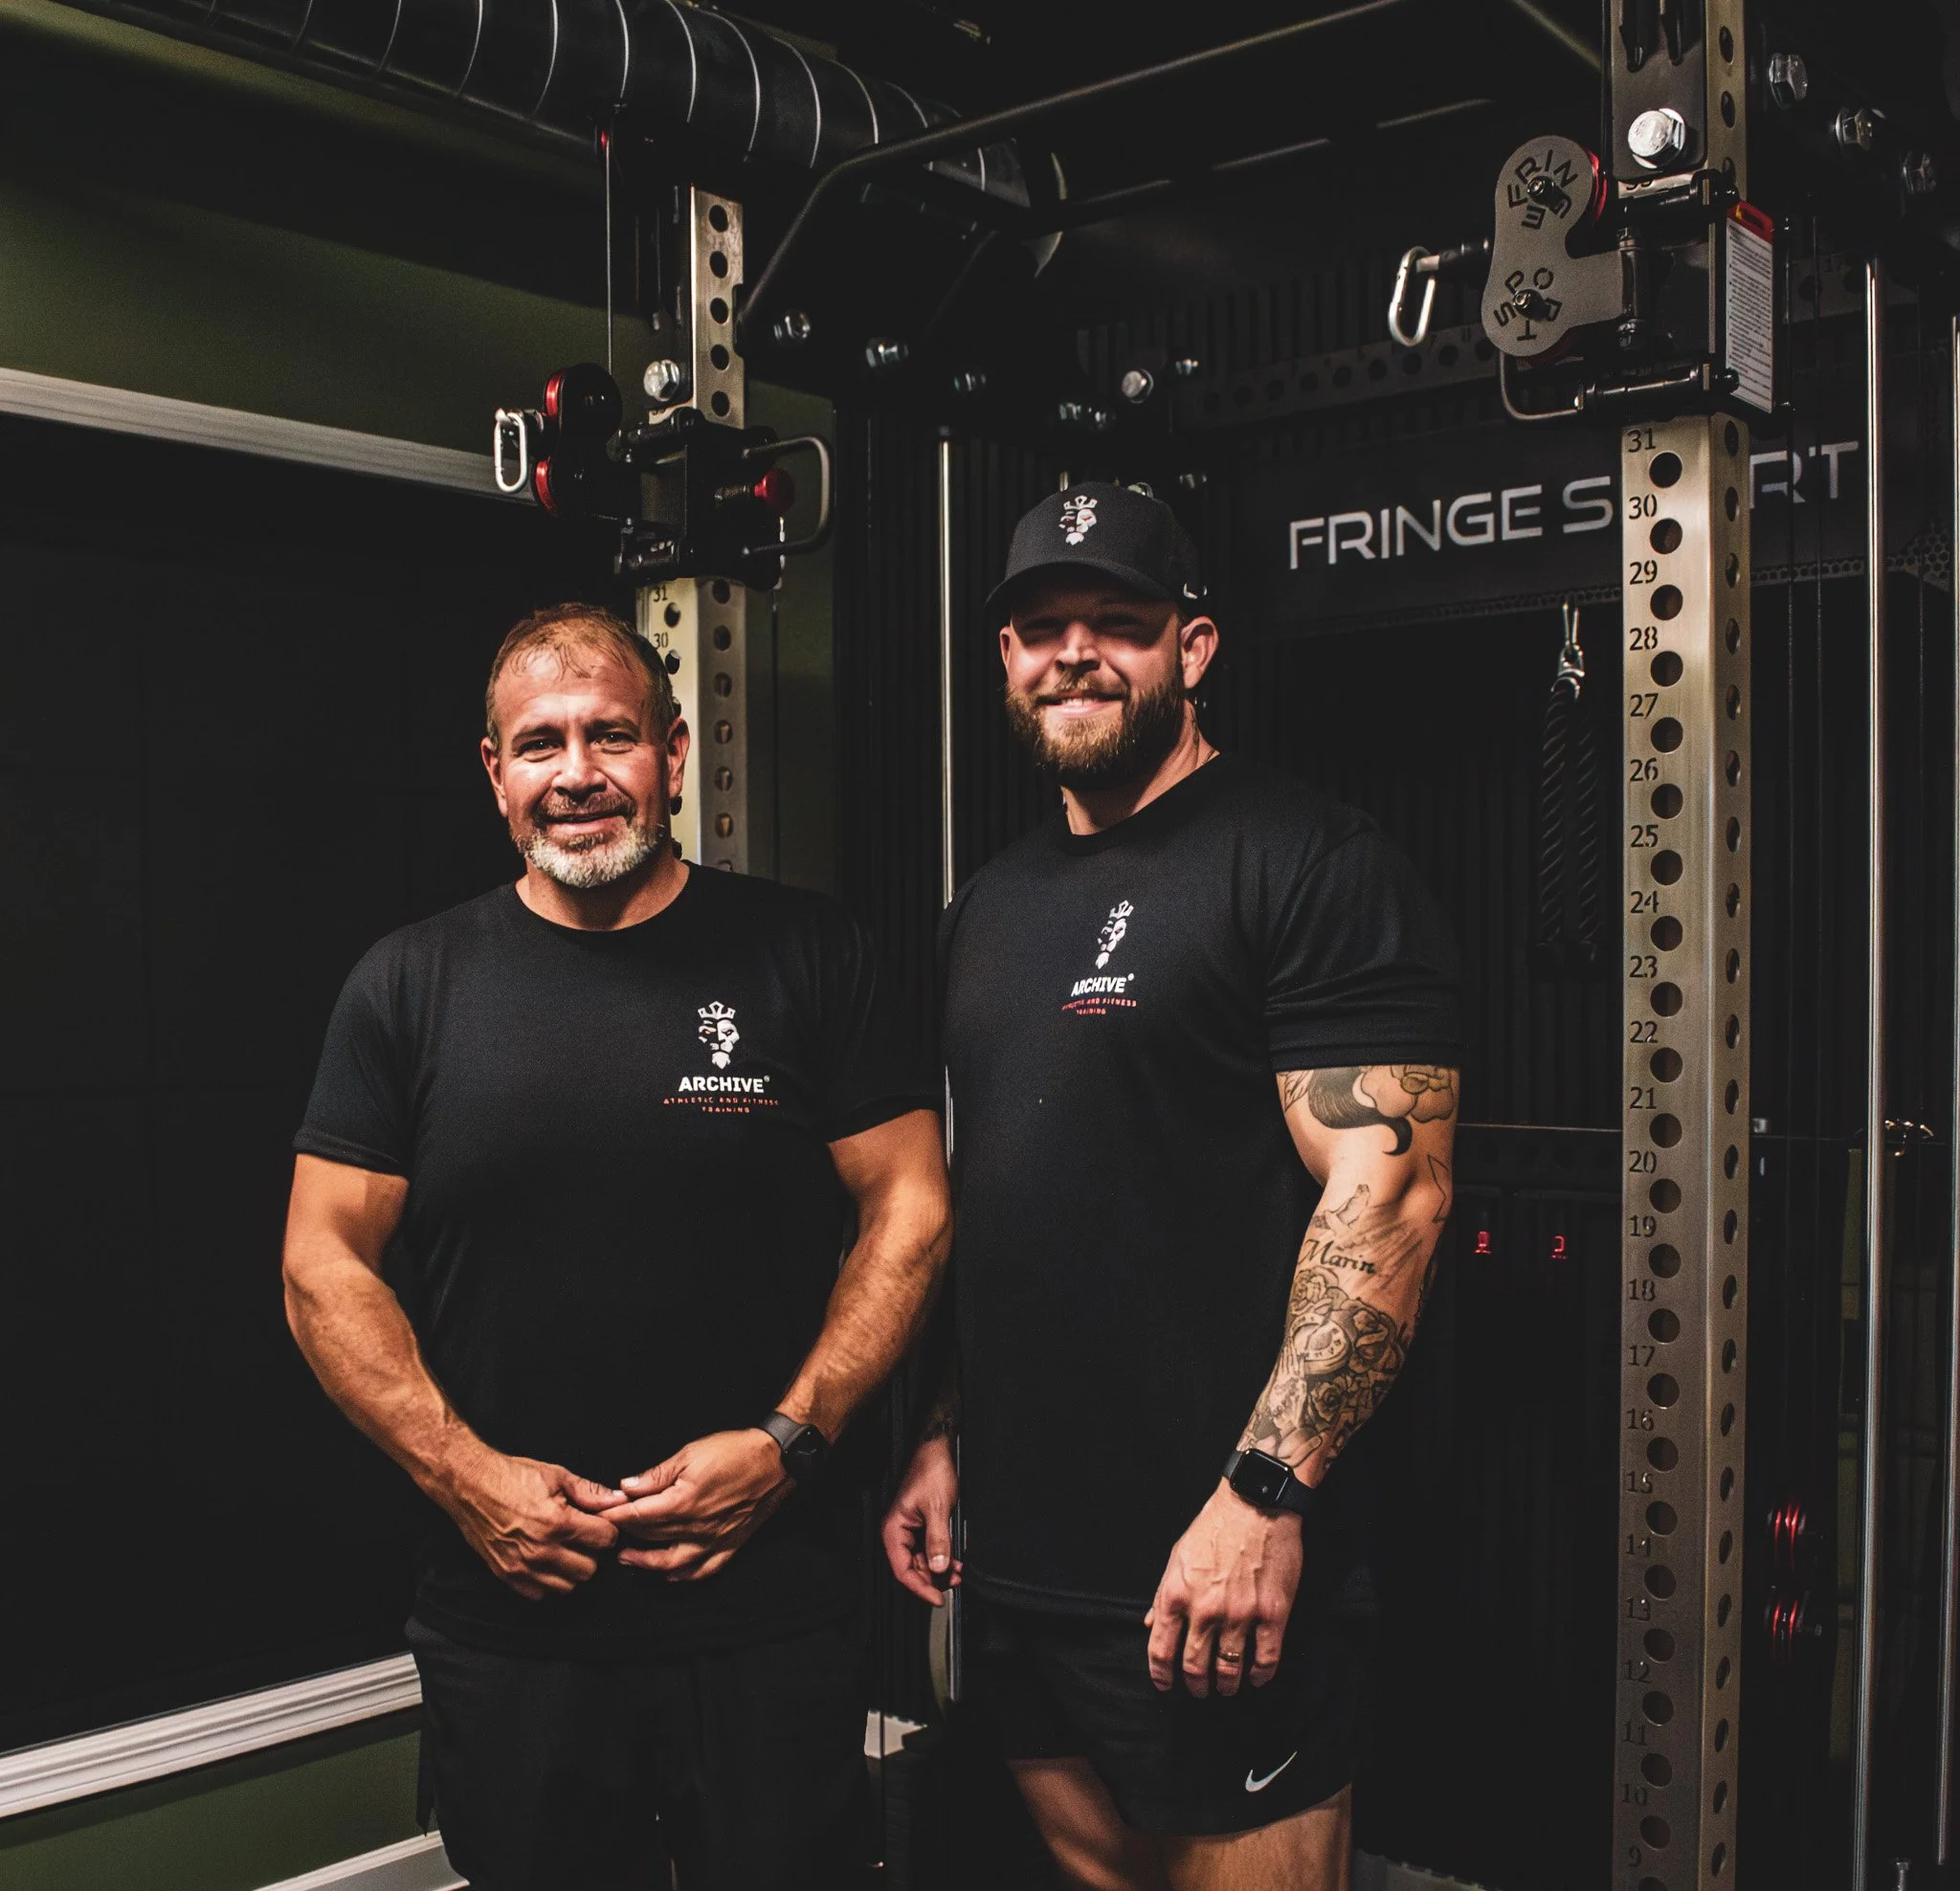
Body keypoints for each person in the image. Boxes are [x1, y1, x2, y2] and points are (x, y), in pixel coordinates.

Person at [284, 603, 950, 1891]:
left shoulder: (809, 955)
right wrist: (465, 1475)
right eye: (540, 744)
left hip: (769, 1611)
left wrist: (789, 1442)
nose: (578, 774)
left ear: (676, 755)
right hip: (514, 1619)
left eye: (613, 736)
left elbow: (911, 1207)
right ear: (494, 772)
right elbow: (321, 1263)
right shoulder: (408, 985)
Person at [882, 485, 1461, 1891]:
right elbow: (1004, 1195)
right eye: (1038, 629)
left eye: (1117, 625)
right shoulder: (988, 907)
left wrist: (1265, 1497)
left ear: (1193, 649)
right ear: (1004, 660)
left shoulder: (1311, 863)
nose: (1072, 654)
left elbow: (1391, 1196)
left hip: (1221, 1561)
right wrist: (944, 1431)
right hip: (1022, 1562)